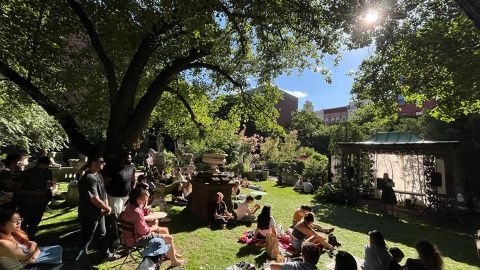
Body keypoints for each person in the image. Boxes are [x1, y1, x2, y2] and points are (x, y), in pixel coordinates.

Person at [120, 185, 185, 267]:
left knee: (164, 229)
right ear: (138, 199)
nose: (144, 202)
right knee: (169, 238)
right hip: (136, 240)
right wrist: (154, 226)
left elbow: (138, 218)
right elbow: (144, 231)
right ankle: (174, 261)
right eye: (143, 200)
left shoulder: (130, 206)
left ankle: (171, 253)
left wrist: (147, 218)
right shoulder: (136, 212)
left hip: (129, 237)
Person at [77, 155, 116, 260]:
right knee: (87, 238)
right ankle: (80, 260)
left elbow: (103, 192)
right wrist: (108, 208)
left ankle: (106, 255)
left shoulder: (98, 175)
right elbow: (94, 199)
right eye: (101, 161)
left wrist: (106, 205)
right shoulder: (88, 178)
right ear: (93, 163)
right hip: (89, 214)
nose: (104, 163)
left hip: (100, 213)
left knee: (102, 234)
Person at [14, 157, 54, 240]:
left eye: (45, 168)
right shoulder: (26, 173)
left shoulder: (48, 172)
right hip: (27, 201)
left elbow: (49, 183)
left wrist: (50, 185)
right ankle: (21, 238)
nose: (42, 170)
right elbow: (17, 188)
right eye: (40, 168)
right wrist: (32, 193)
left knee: (36, 221)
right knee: (24, 221)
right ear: (37, 164)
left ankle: (32, 236)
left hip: (41, 201)